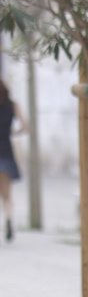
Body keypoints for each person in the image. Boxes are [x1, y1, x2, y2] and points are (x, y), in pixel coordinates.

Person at [0, 78, 28, 243]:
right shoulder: (13, 105)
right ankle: (9, 219)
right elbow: (25, 127)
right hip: (7, 152)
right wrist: (12, 133)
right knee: (7, 194)